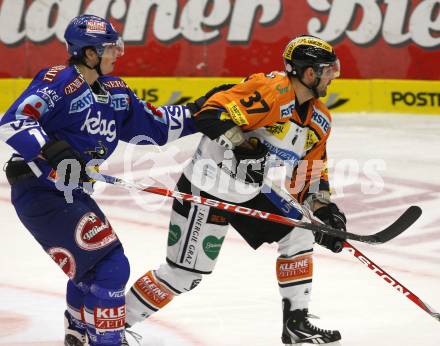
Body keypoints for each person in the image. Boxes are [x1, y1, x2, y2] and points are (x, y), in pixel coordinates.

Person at [0, 14, 210, 346]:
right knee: (111, 265)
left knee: (91, 268)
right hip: (40, 188)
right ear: (88, 53)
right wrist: (53, 149)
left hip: (70, 193)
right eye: (109, 48)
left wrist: (203, 113)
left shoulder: (115, 92)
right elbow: (13, 121)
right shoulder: (59, 80)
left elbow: (155, 126)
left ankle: (79, 331)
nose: (117, 54)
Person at [124, 35, 347, 345]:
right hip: (207, 185)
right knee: (183, 275)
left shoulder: (319, 120)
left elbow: (308, 177)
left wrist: (326, 212)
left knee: (300, 232)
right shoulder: (270, 91)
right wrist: (240, 143)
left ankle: (296, 325)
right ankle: (110, 326)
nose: (332, 77)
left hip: (250, 189)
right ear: (308, 73)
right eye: (327, 70)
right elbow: (211, 113)